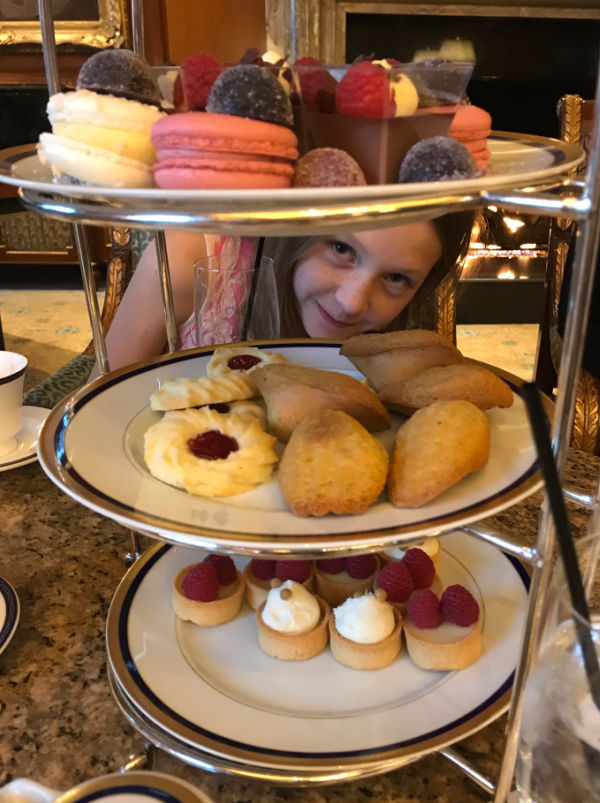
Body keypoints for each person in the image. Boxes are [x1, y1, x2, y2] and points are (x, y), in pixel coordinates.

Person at [92, 210, 474, 377]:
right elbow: (95, 411)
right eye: (341, 250)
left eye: (395, 278)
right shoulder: (190, 255)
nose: (352, 302)